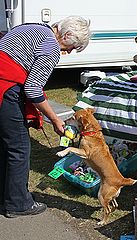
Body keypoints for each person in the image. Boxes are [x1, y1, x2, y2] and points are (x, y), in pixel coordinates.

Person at [0, 16, 91, 218]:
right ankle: (18, 203)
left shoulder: (34, 27)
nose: (68, 53)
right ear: (66, 35)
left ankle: (5, 196)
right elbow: (33, 89)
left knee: (5, 145)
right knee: (19, 148)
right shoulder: (50, 46)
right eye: (71, 47)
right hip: (5, 88)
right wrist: (55, 119)